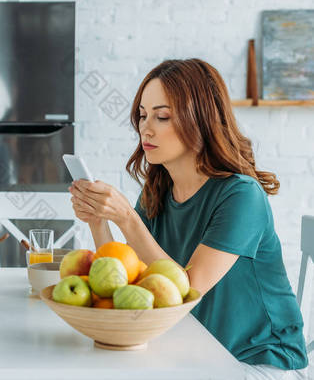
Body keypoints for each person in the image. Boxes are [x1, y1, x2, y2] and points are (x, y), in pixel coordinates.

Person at [69, 59, 309, 379]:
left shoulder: (241, 195)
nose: (146, 127)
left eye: (163, 116)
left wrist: (127, 218)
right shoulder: (157, 191)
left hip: (259, 362)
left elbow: (187, 290)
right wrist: (98, 220)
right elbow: (128, 280)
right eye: (142, 115)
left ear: (201, 120)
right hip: (195, 354)